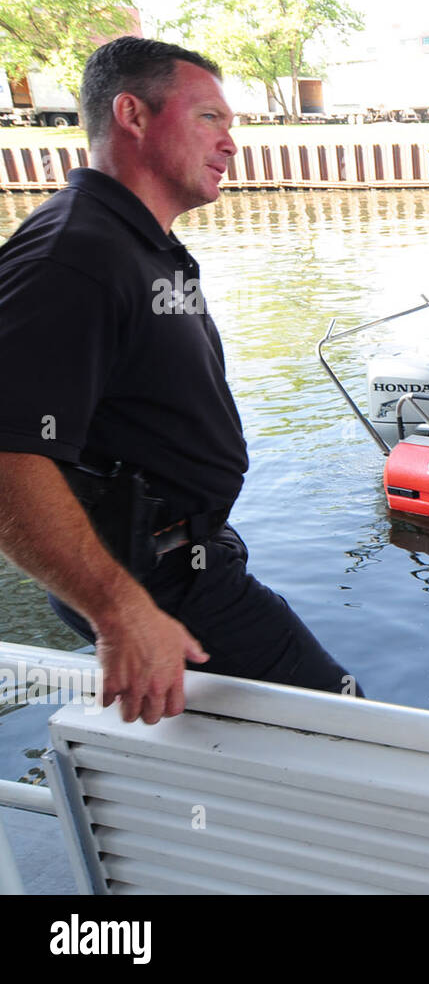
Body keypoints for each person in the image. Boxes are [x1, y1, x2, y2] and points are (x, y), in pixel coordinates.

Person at [0, 36, 360, 726]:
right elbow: (10, 449)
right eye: (209, 119)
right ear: (132, 115)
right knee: (345, 729)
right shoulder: (74, 254)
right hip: (154, 581)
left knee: (290, 743)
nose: (231, 143)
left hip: (185, 562)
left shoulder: (133, 243)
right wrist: (119, 610)